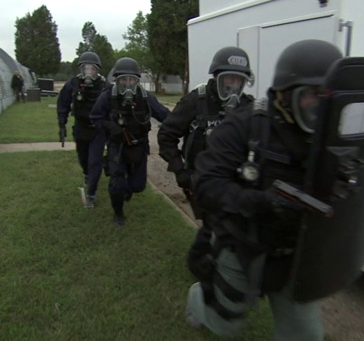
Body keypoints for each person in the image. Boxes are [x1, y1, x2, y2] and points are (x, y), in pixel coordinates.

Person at [184, 40, 344, 340]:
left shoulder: (332, 133)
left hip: (294, 250)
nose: (320, 106)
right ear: (284, 94)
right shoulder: (243, 126)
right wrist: (262, 202)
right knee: (224, 324)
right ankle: (198, 298)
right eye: (311, 95)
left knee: (305, 334)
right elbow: (206, 186)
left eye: (328, 96)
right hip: (242, 242)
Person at [157, 46, 255, 282]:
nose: (233, 87)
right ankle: (206, 273)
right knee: (217, 223)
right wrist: (180, 170)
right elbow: (166, 135)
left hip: (234, 180)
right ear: (216, 78)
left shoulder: (248, 106)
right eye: (227, 80)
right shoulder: (197, 101)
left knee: (224, 225)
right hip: (199, 178)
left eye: (239, 81)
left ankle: (209, 265)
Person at [90, 57, 170, 226]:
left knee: (138, 186)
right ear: (117, 80)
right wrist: (111, 127)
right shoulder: (107, 97)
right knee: (117, 184)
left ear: (136, 81)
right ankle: (118, 213)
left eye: (131, 79)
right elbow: (95, 117)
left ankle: (127, 189)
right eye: (123, 79)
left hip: (139, 146)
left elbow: (166, 116)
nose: (127, 83)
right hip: (117, 147)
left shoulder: (145, 97)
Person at [57, 51, 110, 208]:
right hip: (80, 127)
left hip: (97, 129)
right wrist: (62, 124)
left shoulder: (104, 85)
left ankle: (91, 194)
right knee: (83, 158)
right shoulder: (73, 84)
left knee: (95, 161)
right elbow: (63, 104)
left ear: (97, 70)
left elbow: (113, 106)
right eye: (85, 68)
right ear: (81, 69)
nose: (88, 72)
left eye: (92, 69)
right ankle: (87, 174)